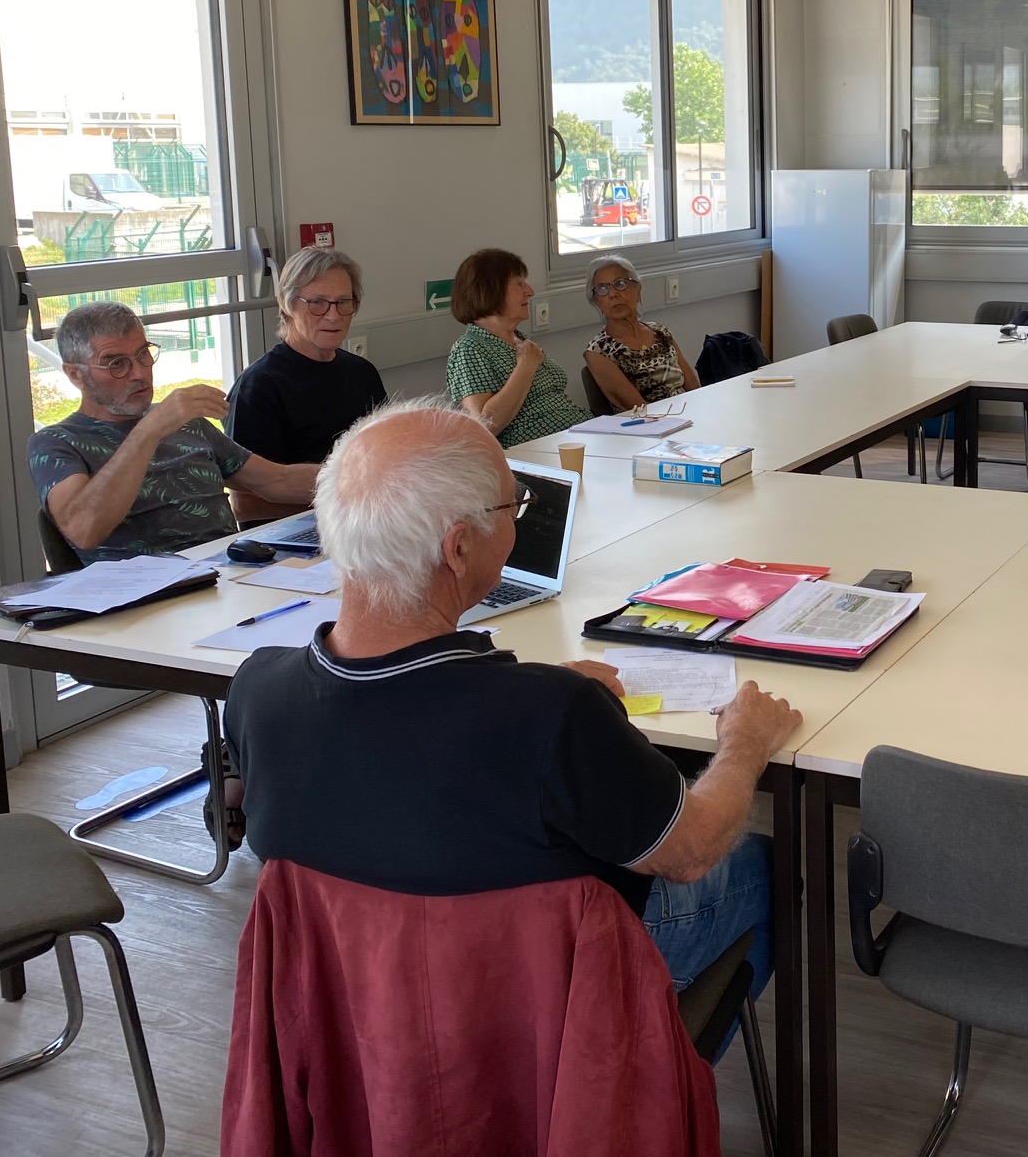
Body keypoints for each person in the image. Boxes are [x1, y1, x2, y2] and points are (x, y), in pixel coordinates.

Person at [222, 397, 800, 1008]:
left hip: (349, 994)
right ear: (458, 548)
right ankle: (649, 1059)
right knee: (764, 865)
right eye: (513, 506)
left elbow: (400, 748)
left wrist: (533, 693)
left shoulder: (257, 689)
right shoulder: (555, 714)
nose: (518, 521)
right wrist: (744, 743)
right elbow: (691, 851)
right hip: (538, 992)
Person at [29, 302, 318, 562]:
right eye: (117, 364)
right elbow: (83, 529)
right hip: (147, 592)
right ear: (75, 374)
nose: (139, 373)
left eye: (143, 354)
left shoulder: (187, 423)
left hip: (230, 572)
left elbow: (276, 480)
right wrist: (149, 430)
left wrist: (344, 473)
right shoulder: (55, 443)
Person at [226, 246, 386, 524]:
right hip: (293, 535)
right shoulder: (258, 387)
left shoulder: (363, 372)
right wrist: (345, 505)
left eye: (343, 302)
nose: (333, 316)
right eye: (317, 303)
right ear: (287, 305)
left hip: (364, 522)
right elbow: (244, 505)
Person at [446, 247, 590, 446]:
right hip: (531, 452)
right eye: (519, 284)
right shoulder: (470, 348)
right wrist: (526, 366)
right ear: (491, 290)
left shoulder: (520, 340)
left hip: (574, 436)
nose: (529, 292)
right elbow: (484, 424)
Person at [582, 254, 700, 411]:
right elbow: (641, 409)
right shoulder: (598, 352)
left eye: (620, 284)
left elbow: (694, 388)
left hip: (690, 412)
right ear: (597, 301)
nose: (612, 294)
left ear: (637, 290)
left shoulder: (661, 332)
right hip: (650, 422)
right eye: (602, 289)